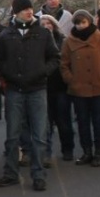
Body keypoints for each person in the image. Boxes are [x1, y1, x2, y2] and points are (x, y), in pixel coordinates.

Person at [0, 0, 60, 192]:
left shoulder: (43, 33)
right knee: (13, 135)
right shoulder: (6, 35)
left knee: (39, 135)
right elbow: (0, 61)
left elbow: (54, 58)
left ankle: (38, 175)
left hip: (37, 89)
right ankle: (11, 173)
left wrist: (42, 72)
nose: (29, 11)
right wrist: (8, 76)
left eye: (30, 8)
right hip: (15, 90)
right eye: (24, 9)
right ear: (16, 12)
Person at [60, 10, 100, 167]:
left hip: (99, 86)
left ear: (89, 22)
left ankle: (98, 152)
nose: (81, 26)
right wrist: (70, 80)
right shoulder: (69, 41)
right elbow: (64, 64)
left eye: (83, 22)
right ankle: (87, 152)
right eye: (77, 23)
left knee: (99, 121)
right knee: (83, 122)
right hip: (78, 88)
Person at [39, 15, 75, 161]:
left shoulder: (63, 40)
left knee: (63, 121)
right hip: (43, 86)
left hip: (61, 86)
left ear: (54, 25)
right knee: (45, 123)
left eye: (49, 23)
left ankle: (68, 149)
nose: (46, 25)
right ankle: (46, 152)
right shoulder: (37, 41)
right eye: (43, 23)